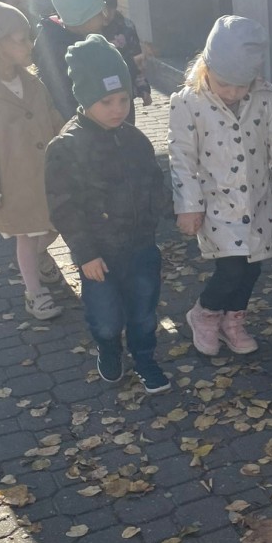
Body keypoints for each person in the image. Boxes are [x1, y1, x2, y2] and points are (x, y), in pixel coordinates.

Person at [45, 35, 170, 394]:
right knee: (106, 317)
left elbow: (154, 181)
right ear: (84, 99)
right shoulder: (66, 147)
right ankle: (109, 348)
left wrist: (169, 210)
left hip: (141, 246)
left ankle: (145, 358)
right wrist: (85, 253)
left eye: (123, 99)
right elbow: (63, 206)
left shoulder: (135, 139)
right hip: (98, 256)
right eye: (106, 102)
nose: (117, 110)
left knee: (143, 311)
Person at [168, 15, 272, 356]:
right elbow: (182, 159)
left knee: (252, 267)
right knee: (231, 268)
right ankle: (204, 314)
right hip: (216, 204)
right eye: (224, 84)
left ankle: (233, 321)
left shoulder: (266, 99)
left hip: (258, 202)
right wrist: (188, 206)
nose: (232, 93)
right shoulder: (188, 102)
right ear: (206, 67)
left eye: (241, 86)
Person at [0, 0, 65, 320]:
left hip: (46, 173)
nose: (29, 45)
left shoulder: (32, 82)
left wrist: (71, 139)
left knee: (53, 226)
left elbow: (52, 116)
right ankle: (34, 292)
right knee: (27, 236)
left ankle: (40, 257)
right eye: (21, 40)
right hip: (13, 182)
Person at [33, 0, 109, 122]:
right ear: (80, 18)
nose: (105, 18)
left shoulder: (81, 39)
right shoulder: (59, 53)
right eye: (99, 13)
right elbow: (65, 100)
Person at [81, 0, 152, 123]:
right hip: (95, 103)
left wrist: (143, 87)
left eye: (110, 9)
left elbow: (137, 60)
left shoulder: (125, 27)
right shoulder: (81, 30)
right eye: (101, 11)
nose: (106, 17)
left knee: (125, 133)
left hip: (123, 100)